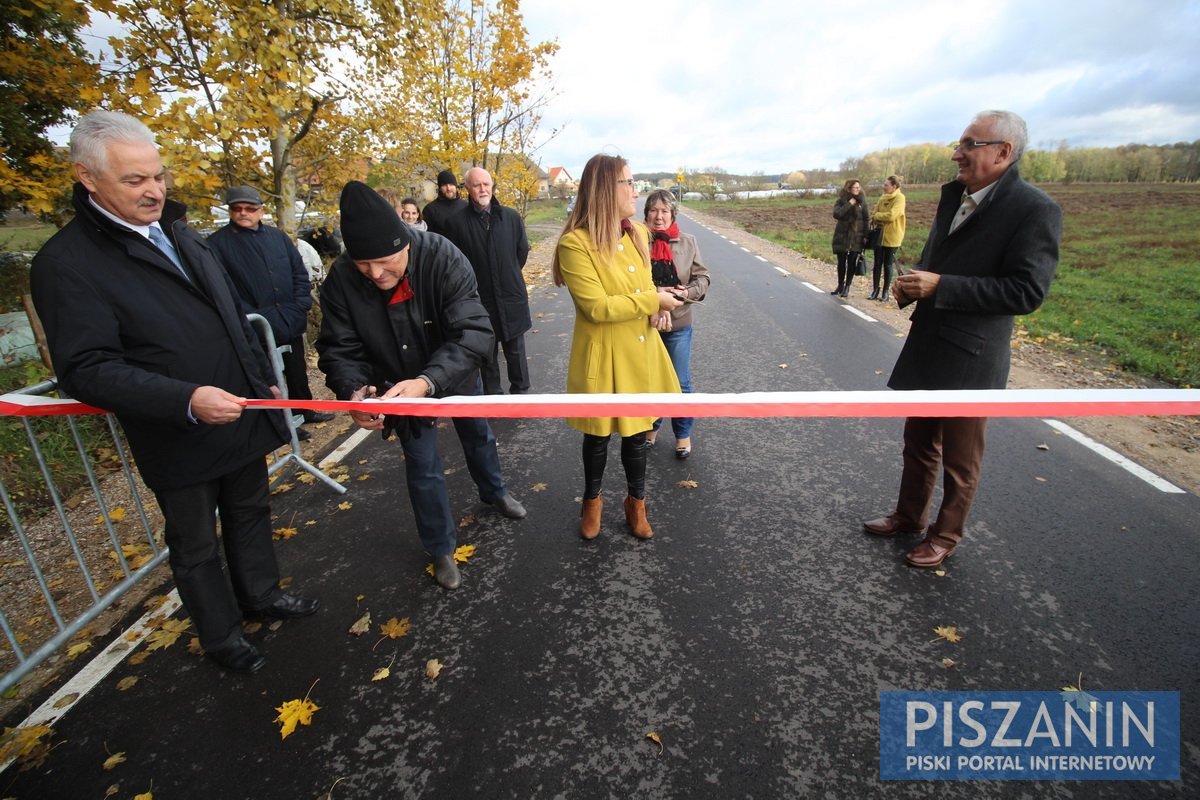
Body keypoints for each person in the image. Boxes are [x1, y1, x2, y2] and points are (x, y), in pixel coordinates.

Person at [30, 110, 319, 675]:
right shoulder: (67, 264)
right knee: (195, 543)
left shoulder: (182, 234)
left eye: (157, 176)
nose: (153, 191)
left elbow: (234, 313)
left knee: (250, 510)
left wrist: (261, 374)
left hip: (239, 408)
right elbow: (86, 368)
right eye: (134, 181)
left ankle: (261, 595)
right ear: (87, 178)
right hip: (177, 429)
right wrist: (186, 399)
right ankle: (221, 635)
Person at [863, 110, 1062, 568]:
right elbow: (943, 259)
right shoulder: (956, 196)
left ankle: (946, 534)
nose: (958, 153)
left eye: (969, 144)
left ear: (1003, 152)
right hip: (930, 344)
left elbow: (1027, 292)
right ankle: (909, 516)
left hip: (973, 358)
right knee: (918, 442)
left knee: (960, 459)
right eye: (960, 143)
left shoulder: (1034, 209)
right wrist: (914, 281)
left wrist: (941, 286)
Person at [316, 181, 526, 590]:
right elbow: (339, 347)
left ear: (405, 244)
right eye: (364, 266)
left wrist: (429, 380)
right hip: (395, 383)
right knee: (422, 463)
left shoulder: (444, 256)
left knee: (477, 433)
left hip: (451, 368)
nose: (376, 275)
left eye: (384, 262)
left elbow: (475, 332)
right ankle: (440, 546)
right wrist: (353, 392)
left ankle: (494, 490)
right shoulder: (342, 277)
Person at [551, 154, 682, 541]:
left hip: (640, 350)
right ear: (608, 190)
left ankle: (635, 503)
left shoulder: (638, 233)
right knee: (597, 436)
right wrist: (652, 301)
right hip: (603, 356)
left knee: (637, 435)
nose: (635, 190)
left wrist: (656, 308)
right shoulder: (575, 244)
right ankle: (592, 502)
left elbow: (641, 289)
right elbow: (596, 307)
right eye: (628, 183)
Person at [207, 185, 333, 440]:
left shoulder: (277, 238)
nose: (243, 213)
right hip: (255, 323)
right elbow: (222, 287)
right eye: (237, 208)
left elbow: (298, 270)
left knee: (296, 369)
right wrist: (249, 317)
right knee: (269, 375)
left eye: (250, 208)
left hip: (289, 316)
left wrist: (300, 304)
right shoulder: (217, 244)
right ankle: (283, 422)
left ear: (260, 210)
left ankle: (304, 409)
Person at [441, 167, 532, 394]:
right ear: (468, 189)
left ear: (492, 186)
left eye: (486, 184)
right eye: (476, 185)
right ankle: (493, 397)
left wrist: (507, 273)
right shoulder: (456, 223)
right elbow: (454, 264)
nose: (482, 189)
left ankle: (520, 392)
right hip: (478, 298)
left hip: (510, 293)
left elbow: (521, 252)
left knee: (515, 349)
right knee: (486, 352)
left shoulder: (510, 217)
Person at [642, 188, 710, 459]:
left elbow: (702, 278)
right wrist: (655, 301)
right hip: (644, 324)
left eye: (664, 211)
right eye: (654, 211)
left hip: (679, 324)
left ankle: (683, 435)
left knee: (680, 382)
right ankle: (650, 427)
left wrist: (686, 293)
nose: (659, 217)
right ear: (646, 213)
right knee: (648, 381)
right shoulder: (635, 240)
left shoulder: (688, 241)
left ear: (673, 215)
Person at [831, 179, 870, 297]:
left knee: (852, 262)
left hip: (856, 236)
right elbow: (837, 214)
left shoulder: (862, 201)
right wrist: (849, 204)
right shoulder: (841, 201)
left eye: (859, 187)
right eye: (855, 187)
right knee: (841, 262)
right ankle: (840, 285)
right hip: (842, 235)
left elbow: (866, 219)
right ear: (849, 189)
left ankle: (847, 286)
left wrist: (866, 235)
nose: (858, 189)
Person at [869, 176, 906, 301]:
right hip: (879, 235)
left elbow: (892, 215)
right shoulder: (882, 198)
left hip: (893, 236)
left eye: (886, 185)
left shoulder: (900, 198)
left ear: (894, 186)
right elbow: (873, 215)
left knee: (888, 264)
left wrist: (879, 216)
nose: (883, 187)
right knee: (877, 263)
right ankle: (875, 289)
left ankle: (885, 292)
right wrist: (878, 216)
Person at [422, 169, 467, 236]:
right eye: (444, 185)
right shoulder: (430, 210)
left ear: (456, 186)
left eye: (451, 184)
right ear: (440, 188)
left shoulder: (466, 206)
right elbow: (427, 238)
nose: (448, 188)